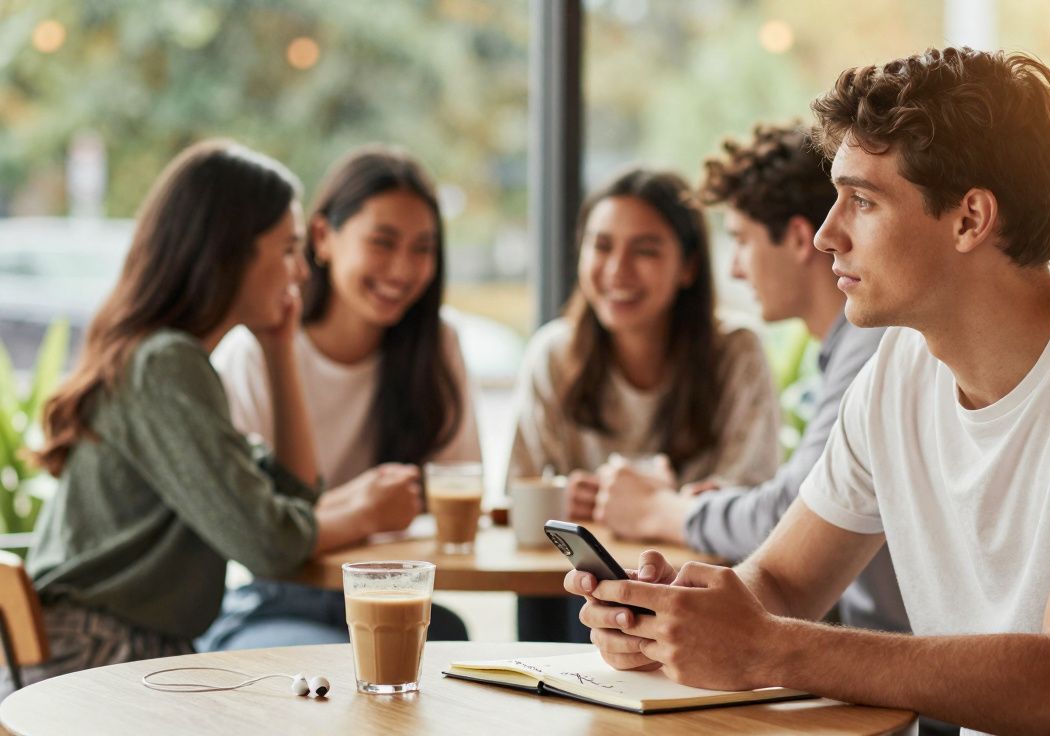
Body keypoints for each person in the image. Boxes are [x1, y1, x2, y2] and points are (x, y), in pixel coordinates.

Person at [566, 47, 1050, 735]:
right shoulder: (898, 375)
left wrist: (770, 648)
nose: (823, 236)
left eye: (861, 202)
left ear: (970, 218)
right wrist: (667, 619)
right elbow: (781, 584)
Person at [6, 140, 415, 696]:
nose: (301, 271)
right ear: (230, 252)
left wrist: (278, 349)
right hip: (100, 654)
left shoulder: (173, 360)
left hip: (119, 644)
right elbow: (267, 545)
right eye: (288, 249)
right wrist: (363, 514)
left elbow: (295, 495)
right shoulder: (166, 364)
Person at [593, 123, 908, 634]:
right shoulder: (839, 351)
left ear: (798, 239)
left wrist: (661, 510)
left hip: (889, 664)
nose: (736, 269)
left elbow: (786, 511)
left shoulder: (874, 347)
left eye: (740, 240)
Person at [197, 145, 476, 650]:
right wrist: (362, 508)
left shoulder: (437, 346)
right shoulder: (258, 352)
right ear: (322, 238)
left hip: (395, 598)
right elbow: (253, 530)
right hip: (278, 600)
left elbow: (454, 488)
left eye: (422, 248)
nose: (403, 269)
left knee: (454, 650)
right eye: (383, 242)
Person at [510, 167, 780, 640]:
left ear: (688, 267)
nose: (617, 270)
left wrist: (664, 503)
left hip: (693, 594)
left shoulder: (736, 352)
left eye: (646, 250)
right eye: (601, 246)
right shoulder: (553, 354)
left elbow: (753, 498)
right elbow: (520, 494)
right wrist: (563, 498)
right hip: (577, 591)